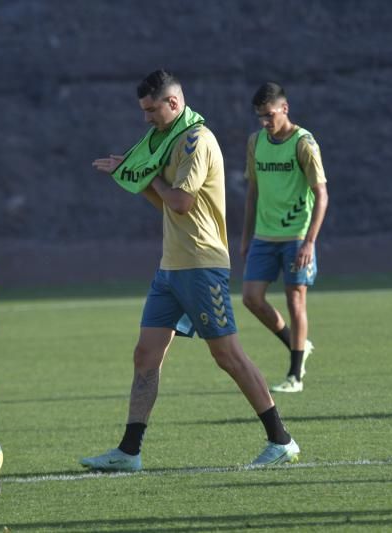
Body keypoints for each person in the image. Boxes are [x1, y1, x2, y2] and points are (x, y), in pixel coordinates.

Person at [84, 69, 300, 471]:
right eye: (143, 111)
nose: (146, 118)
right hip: (171, 267)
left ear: (173, 103)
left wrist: (142, 176)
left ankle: (281, 439)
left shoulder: (196, 140)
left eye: (152, 110)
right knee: (146, 355)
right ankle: (129, 451)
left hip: (201, 265)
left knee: (228, 356)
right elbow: (164, 202)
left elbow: (180, 202)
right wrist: (136, 174)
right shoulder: (164, 139)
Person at [240, 82, 328, 393]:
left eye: (269, 115)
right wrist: (246, 236)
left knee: (295, 300)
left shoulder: (304, 143)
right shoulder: (256, 142)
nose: (265, 122)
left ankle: (295, 376)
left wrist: (309, 242)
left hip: (296, 236)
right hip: (264, 236)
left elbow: (321, 195)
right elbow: (253, 192)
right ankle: (297, 342)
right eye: (260, 117)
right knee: (251, 298)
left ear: (284, 109)